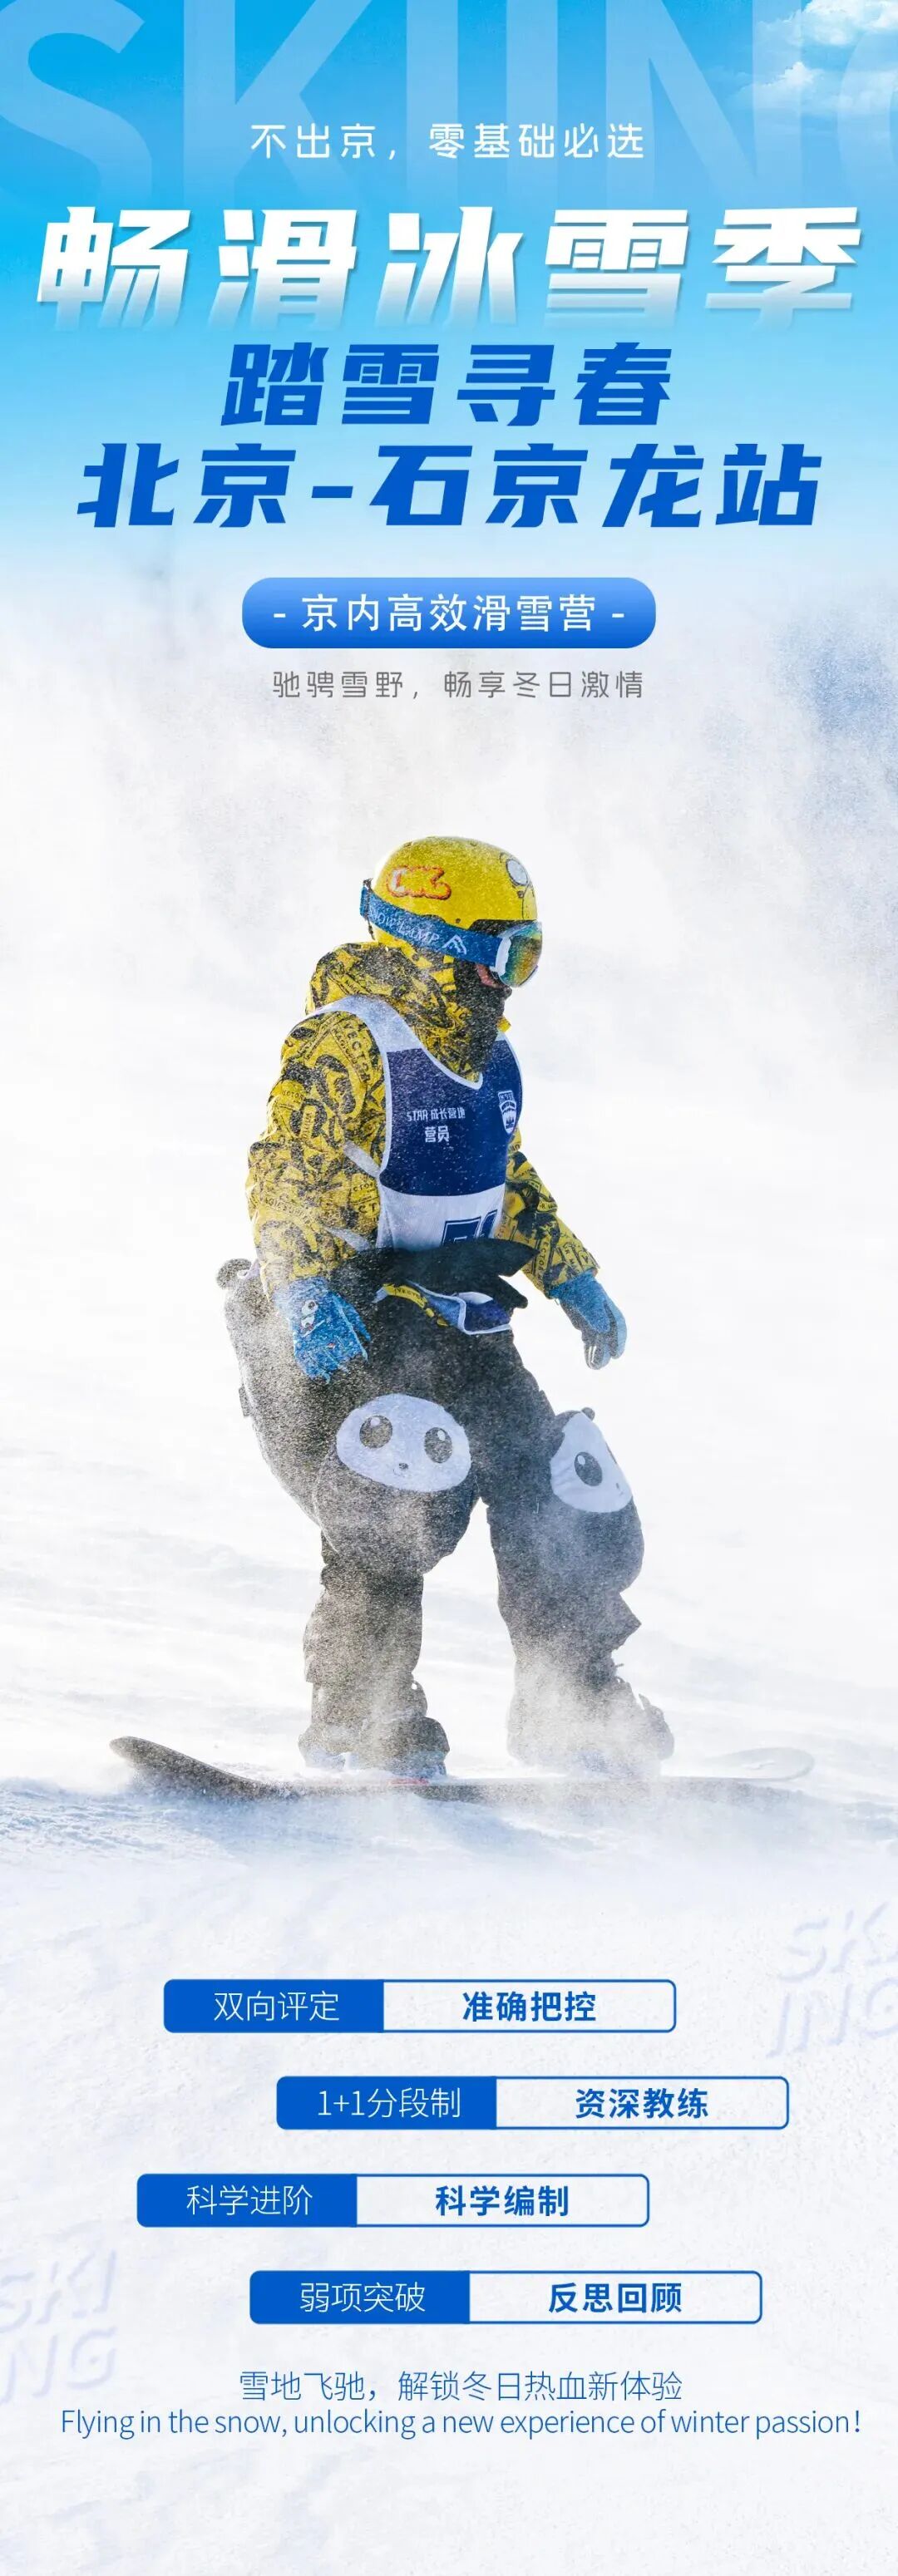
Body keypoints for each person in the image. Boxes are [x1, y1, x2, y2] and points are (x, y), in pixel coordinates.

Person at [220, 835, 671, 1781]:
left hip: (466, 1324)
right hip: (354, 1323)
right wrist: (300, 1289)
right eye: (500, 954)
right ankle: (362, 1707)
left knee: (560, 1484)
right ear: (435, 944)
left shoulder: (490, 1058)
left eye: (527, 957)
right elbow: (282, 1174)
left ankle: (570, 1700)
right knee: (398, 1481)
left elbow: (507, 1180)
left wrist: (570, 1275)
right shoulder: (349, 1043)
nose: (510, 982)